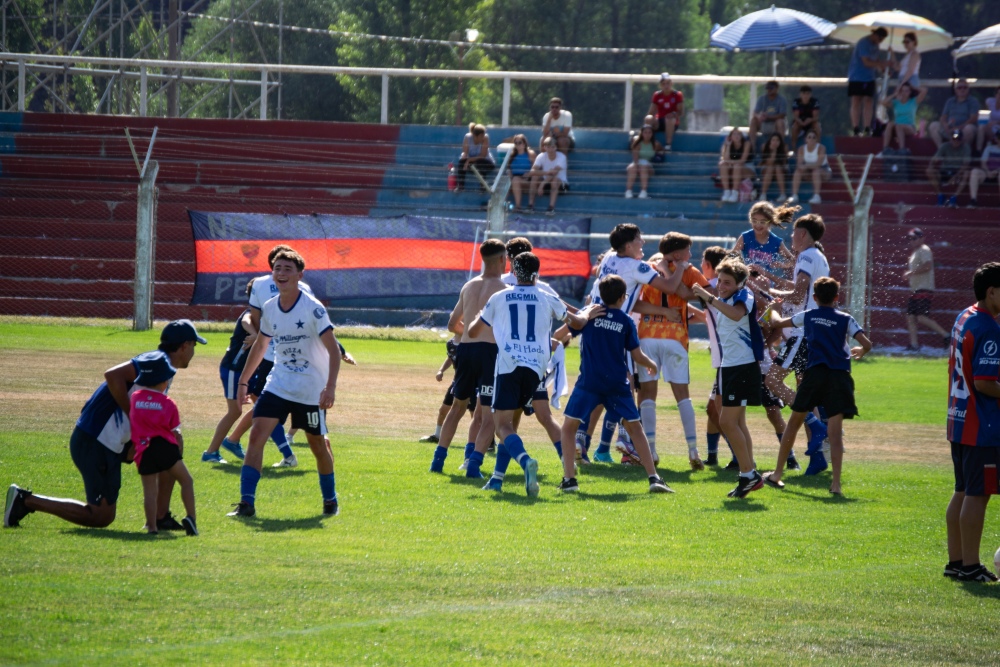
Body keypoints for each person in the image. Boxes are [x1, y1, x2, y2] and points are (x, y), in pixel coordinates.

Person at [4, 320, 205, 530]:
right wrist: (135, 417)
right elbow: (113, 375)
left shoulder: (163, 366)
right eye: (194, 346)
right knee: (101, 517)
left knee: (171, 445)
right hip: (95, 440)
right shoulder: (155, 360)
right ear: (184, 345)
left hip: (113, 441)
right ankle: (25, 501)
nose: (194, 352)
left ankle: (160, 517)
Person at [227, 249, 343, 518]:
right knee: (256, 436)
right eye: (277, 268)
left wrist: (331, 387)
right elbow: (260, 347)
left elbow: (334, 350)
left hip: (310, 390)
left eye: (287, 269)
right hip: (278, 384)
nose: (281, 273)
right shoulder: (269, 308)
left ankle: (330, 499)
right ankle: (246, 503)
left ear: (299, 275)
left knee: (317, 445)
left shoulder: (313, 308)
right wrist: (244, 382)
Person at [467, 252, 586, 497]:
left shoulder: (500, 296)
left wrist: (481, 316)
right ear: (537, 272)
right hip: (536, 370)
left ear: (512, 270)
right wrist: (588, 313)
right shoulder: (547, 297)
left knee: (503, 426)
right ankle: (497, 479)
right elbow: (576, 322)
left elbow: (472, 331)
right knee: (538, 418)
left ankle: (525, 461)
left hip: (509, 367)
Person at [558, 275, 672, 494]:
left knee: (569, 428)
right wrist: (652, 364)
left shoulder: (589, 315)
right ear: (622, 298)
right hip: (617, 384)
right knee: (635, 429)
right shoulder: (626, 320)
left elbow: (561, 335)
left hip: (589, 383)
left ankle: (569, 480)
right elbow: (637, 355)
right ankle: (654, 478)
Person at [762, 277, 872, 495]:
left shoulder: (809, 315)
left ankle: (776, 475)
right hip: (840, 377)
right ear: (837, 297)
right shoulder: (846, 318)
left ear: (814, 298)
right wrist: (861, 351)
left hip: (815, 375)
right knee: (835, 431)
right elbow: (867, 343)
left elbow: (777, 323)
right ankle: (836, 485)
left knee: (794, 423)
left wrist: (773, 309)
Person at [429, 239, 507, 477]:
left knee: (457, 407)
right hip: (489, 353)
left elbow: (453, 324)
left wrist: (471, 333)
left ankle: (438, 461)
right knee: (487, 413)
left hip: (466, 351)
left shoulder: (469, 285)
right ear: (503, 259)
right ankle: (473, 464)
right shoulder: (503, 290)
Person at [943, 262, 1000, 583]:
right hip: (982, 425)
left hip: (959, 418)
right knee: (978, 494)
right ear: (991, 292)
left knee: (963, 490)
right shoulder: (990, 328)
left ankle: (956, 561)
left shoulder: (964, 316)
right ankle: (970, 565)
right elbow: (984, 382)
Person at [691, 259, 766, 498]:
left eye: (727, 282)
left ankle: (749, 474)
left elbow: (736, 315)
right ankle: (749, 473)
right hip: (731, 367)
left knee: (727, 422)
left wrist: (708, 297)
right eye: (720, 281)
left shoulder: (744, 295)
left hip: (742, 367)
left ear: (740, 283)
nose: (721, 286)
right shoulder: (725, 297)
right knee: (738, 423)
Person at [763, 213, 831, 474]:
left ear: (803, 234)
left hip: (801, 331)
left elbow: (799, 290)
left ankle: (815, 425)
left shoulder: (805, 256)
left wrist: (773, 294)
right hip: (813, 332)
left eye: (794, 232)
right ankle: (817, 457)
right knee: (805, 392)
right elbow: (802, 288)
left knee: (773, 381)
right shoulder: (819, 256)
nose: (791, 236)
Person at [635, 233, 709, 470]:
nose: (690, 255)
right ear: (677, 253)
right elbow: (705, 294)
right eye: (688, 251)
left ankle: (651, 450)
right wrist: (685, 289)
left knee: (647, 392)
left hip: (647, 336)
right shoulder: (689, 270)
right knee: (682, 395)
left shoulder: (646, 268)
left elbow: (632, 302)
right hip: (676, 337)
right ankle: (693, 449)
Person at [130, 353, 198, 536]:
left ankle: (152, 527)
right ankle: (191, 518)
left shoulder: (135, 399)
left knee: (150, 491)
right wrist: (178, 451)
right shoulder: (168, 403)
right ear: (163, 382)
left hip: (144, 449)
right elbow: (176, 432)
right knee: (186, 480)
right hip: (165, 448)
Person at [202, 279, 258, 465]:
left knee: (261, 406)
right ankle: (211, 452)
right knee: (234, 411)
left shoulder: (266, 315)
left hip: (246, 370)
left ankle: (232, 442)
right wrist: (255, 334)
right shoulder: (250, 314)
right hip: (234, 368)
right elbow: (245, 320)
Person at [419, 336, 477, 443]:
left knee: (475, 413)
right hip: (457, 381)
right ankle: (437, 435)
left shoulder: (471, 341)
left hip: (472, 382)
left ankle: (484, 441)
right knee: (443, 410)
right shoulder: (450, 343)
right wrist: (441, 370)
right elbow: (450, 358)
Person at [902, 228, 950, 351]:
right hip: (916, 288)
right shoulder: (916, 251)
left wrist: (911, 273)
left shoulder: (924, 250)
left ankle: (946, 336)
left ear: (922, 238)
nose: (911, 241)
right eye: (910, 238)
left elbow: (928, 266)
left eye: (914, 238)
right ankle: (914, 345)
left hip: (924, 287)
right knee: (911, 316)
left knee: (921, 317)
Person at [847, 27, 888, 136]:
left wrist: (883, 69)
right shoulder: (863, 43)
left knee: (869, 101)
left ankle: (867, 128)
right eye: (880, 38)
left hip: (869, 77)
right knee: (856, 101)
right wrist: (884, 63)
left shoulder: (876, 46)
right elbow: (866, 62)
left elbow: (876, 60)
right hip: (857, 76)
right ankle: (856, 128)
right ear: (875, 35)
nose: (880, 42)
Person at [929, 79, 980, 149]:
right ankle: (941, 150)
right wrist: (945, 125)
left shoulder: (973, 101)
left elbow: (973, 118)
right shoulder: (950, 101)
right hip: (949, 129)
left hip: (964, 129)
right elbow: (943, 117)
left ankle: (962, 152)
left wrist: (958, 127)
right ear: (955, 90)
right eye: (959, 87)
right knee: (933, 125)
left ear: (968, 89)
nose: (962, 89)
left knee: (969, 129)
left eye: (965, 87)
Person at [926, 130, 971, 208]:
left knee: (967, 173)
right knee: (929, 171)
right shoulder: (944, 146)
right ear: (950, 139)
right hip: (944, 171)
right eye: (954, 139)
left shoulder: (966, 147)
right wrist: (931, 165)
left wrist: (956, 176)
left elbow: (966, 165)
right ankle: (940, 195)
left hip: (958, 172)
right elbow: (934, 159)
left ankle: (954, 198)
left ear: (961, 140)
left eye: (958, 139)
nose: (956, 141)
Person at [880, 82, 927, 154]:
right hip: (897, 126)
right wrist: (894, 94)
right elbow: (883, 102)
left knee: (899, 126)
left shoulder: (914, 101)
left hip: (909, 127)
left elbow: (924, 91)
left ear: (910, 92)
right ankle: (885, 149)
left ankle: (902, 149)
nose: (904, 93)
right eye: (902, 90)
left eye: (906, 91)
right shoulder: (896, 103)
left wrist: (913, 87)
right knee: (890, 124)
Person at [788, 130, 831, 205]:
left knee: (816, 171)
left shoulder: (821, 148)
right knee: (798, 171)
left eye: (814, 137)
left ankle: (816, 196)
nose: (811, 139)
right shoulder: (801, 149)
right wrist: (805, 167)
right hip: (808, 172)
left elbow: (818, 164)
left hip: (823, 171)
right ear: (806, 139)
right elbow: (799, 164)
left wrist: (806, 165)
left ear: (816, 139)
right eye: (809, 137)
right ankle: (794, 195)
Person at [529, 138, 569, 215]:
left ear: (556, 147)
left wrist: (542, 184)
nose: (550, 149)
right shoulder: (541, 156)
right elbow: (532, 171)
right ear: (544, 147)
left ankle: (551, 208)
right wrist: (546, 172)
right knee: (534, 177)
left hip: (563, 186)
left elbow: (554, 173)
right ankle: (530, 206)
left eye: (552, 147)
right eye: (548, 147)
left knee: (554, 180)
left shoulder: (562, 157)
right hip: (547, 183)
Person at [645, 72, 684, 151]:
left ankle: (668, 144)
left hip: (672, 122)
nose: (666, 86)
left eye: (668, 83)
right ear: (660, 85)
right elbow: (651, 112)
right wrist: (653, 120)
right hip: (660, 120)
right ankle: (646, 142)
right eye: (663, 84)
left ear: (671, 83)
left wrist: (673, 114)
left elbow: (681, 112)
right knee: (648, 118)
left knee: (669, 119)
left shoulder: (677, 95)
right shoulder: (657, 95)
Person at [625, 124, 664, 199]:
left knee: (644, 167)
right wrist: (637, 166)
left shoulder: (655, 144)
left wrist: (660, 154)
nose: (647, 135)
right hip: (638, 163)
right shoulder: (638, 144)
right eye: (645, 132)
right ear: (642, 133)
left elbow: (662, 150)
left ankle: (643, 191)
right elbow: (635, 158)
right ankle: (628, 191)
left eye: (649, 132)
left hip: (648, 165)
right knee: (632, 168)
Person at [454, 123, 495, 192]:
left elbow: (483, 156)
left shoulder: (485, 138)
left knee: (480, 163)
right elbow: (465, 153)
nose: (483, 137)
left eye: (483, 135)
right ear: (475, 136)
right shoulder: (468, 138)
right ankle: (460, 185)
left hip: (486, 162)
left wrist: (468, 160)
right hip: (472, 162)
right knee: (461, 162)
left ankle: (483, 186)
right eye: (481, 136)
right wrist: (465, 160)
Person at [718, 128, 755, 203]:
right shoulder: (728, 144)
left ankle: (735, 192)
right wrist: (728, 145)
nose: (736, 136)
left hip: (747, 168)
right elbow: (725, 159)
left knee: (737, 166)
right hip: (733, 168)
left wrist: (731, 162)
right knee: (723, 165)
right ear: (730, 136)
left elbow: (742, 160)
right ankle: (727, 192)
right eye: (734, 134)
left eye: (739, 134)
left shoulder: (746, 144)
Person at [969, 127, 1000, 208]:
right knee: (975, 172)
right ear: (996, 139)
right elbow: (983, 162)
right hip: (987, 173)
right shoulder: (989, 148)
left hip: (998, 174)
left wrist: (997, 171)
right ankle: (973, 200)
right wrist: (988, 172)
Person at [506, 134, 536, 212]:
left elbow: (536, 168)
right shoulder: (512, 155)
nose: (518, 145)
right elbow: (509, 168)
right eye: (516, 143)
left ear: (524, 143)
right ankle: (498, 204)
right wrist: (509, 173)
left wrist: (529, 174)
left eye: (520, 142)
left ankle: (518, 206)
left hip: (526, 179)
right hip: (513, 178)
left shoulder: (530, 154)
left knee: (515, 180)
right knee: (506, 182)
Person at [892, 32, 925, 98]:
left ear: (913, 42)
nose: (905, 44)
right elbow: (897, 68)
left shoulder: (914, 54)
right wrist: (892, 54)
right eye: (904, 42)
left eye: (907, 42)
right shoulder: (907, 55)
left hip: (910, 80)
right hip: (903, 79)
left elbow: (910, 70)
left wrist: (901, 84)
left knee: (909, 102)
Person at [757, 133, 789, 203]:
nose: (775, 142)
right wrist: (773, 151)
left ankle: (782, 194)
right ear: (770, 141)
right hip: (767, 169)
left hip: (781, 169)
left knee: (777, 167)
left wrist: (775, 151)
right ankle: (763, 194)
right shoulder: (765, 147)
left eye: (777, 140)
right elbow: (769, 162)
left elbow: (783, 162)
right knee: (771, 167)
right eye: (773, 140)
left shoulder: (784, 147)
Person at [975, 86, 1000, 153]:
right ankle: (978, 151)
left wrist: (997, 122)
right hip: (990, 129)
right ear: (996, 95)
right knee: (981, 126)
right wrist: (987, 122)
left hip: (998, 130)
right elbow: (982, 117)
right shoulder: (989, 101)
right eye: (999, 94)